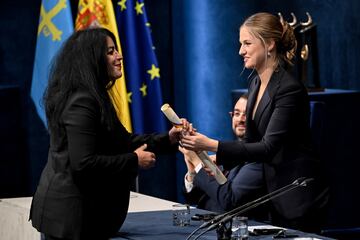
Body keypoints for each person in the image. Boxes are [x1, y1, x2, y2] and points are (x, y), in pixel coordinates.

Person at [29, 28, 185, 240]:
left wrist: (168, 139)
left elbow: (123, 141)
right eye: (111, 51)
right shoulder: (82, 101)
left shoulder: (94, 95)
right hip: (71, 220)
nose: (119, 56)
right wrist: (134, 160)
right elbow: (83, 164)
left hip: (85, 218)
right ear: (92, 58)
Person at [180, 12, 328, 232]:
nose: (241, 51)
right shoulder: (254, 83)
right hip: (271, 196)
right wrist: (216, 160)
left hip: (295, 197)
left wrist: (209, 144)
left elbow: (268, 147)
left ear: (269, 44)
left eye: (247, 43)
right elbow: (249, 142)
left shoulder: (289, 89)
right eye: (241, 44)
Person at [179, 94, 266, 217]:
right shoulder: (226, 153)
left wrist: (198, 162)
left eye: (246, 114)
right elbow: (194, 198)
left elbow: (229, 200)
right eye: (236, 113)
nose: (240, 119)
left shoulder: (259, 158)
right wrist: (192, 169)